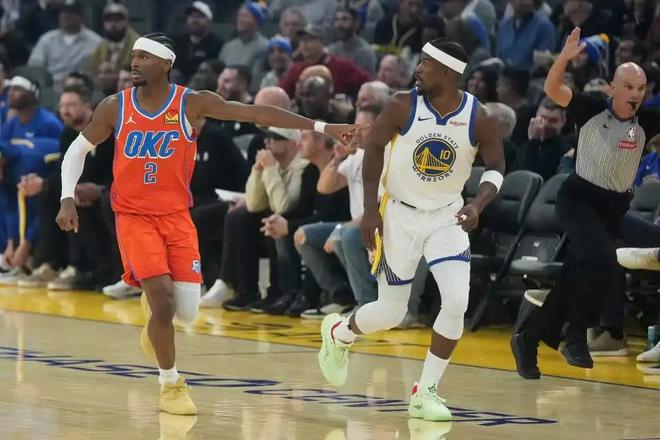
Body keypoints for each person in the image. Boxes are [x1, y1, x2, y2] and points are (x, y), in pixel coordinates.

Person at [55, 33, 358, 416]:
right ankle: (171, 384)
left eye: (144, 56)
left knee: (185, 311)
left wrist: (323, 127)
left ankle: (155, 317)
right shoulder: (116, 106)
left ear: (166, 63)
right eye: (133, 56)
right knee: (163, 300)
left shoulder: (192, 103)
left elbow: (257, 114)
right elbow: (77, 150)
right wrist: (67, 197)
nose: (134, 62)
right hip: (134, 216)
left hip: (177, 217)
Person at [317, 39, 505, 421]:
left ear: (448, 73)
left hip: (447, 217)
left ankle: (426, 391)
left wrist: (477, 204)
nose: (417, 69)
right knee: (391, 312)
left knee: (457, 301)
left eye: (426, 64)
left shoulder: (479, 116)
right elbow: (372, 149)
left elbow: (497, 168)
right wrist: (370, 211)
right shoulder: (403, 104)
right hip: (399, 215)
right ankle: (340, 333)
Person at [511, 28, 652, 380]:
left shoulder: (647, 121)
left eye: (641, 88)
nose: (635, 94)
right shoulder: (589, 108)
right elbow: (552, 89)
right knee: (603, 260)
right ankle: (575, 336)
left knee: (577, 273)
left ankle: (528, 338)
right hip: (578, 199)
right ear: (613, 88)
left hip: (614, 208)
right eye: (629, 87)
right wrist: (563, 58)